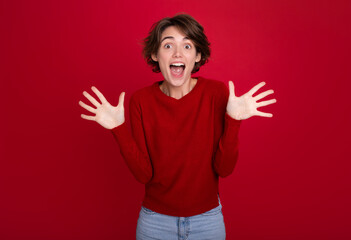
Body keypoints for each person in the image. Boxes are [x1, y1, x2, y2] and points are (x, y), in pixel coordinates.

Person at [79, 13, 276, 240]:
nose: (178, 53)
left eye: (187, 45)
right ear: (155, 54)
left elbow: (224, 169)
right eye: (168, 45)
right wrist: (118, 128)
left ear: (197, 55)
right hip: (155, 223)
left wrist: (234, 120)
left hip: (207, 221)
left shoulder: (216, 94)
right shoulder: (141, 101)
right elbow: (144, 174)